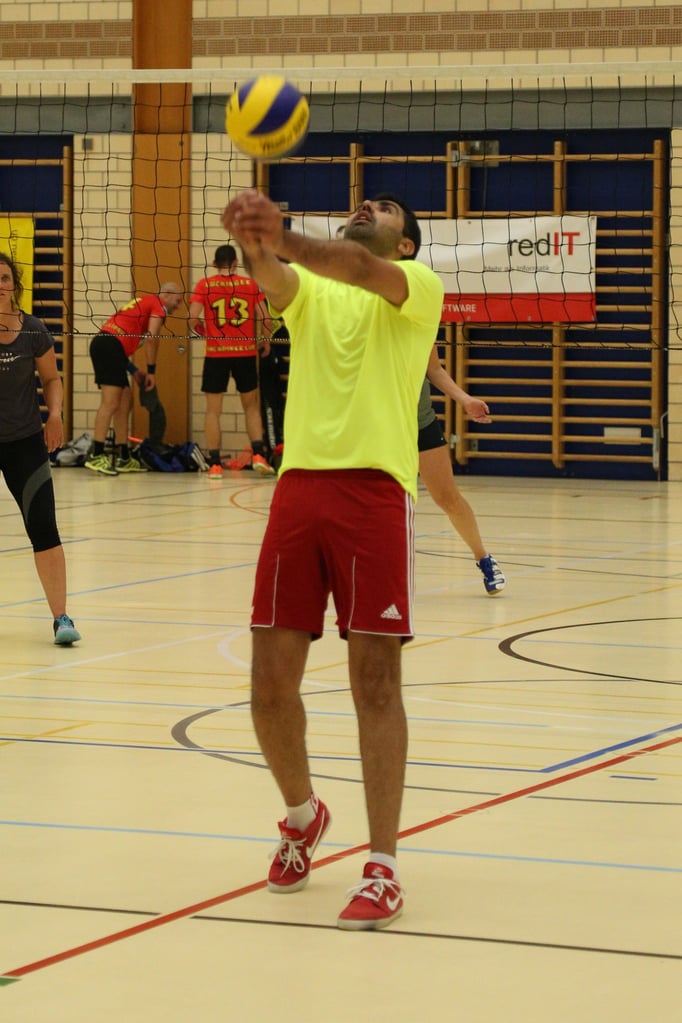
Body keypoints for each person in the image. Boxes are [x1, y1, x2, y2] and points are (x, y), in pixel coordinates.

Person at [222, 191, 444, 930]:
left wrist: (280, 232)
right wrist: (254, 242)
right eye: (365, 201)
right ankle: (302, 814)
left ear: (405, 244)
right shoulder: (313, 290)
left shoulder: (415, 286)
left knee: (375, 682)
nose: (367, 206)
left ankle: (383, 865)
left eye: (386, 208)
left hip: (374, 492)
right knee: (267, 685)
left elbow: (349, 263)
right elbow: (276, 276)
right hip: (298, 491)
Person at [0, 252, 81, 646]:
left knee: (44, 526)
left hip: (25, 443)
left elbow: (51, 379)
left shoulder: (33, 329)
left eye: (4, 278)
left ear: (14, 285)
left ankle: (61, 618)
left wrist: (56, 415)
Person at [420, 346, 506, 595]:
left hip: (419, 424)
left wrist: (465, 399)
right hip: (377, 427)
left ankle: (484, 558)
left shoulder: (420, 326)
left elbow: (434, 369)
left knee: (448, 498)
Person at [188, 245, 275, 479]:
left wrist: (203, 330)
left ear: (215, 264)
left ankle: (215, 464)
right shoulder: (250, 285)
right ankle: (259, 455)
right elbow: (266, 319)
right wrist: (265, 341)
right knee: (251, 407)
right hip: (245, 354)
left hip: (216, 355)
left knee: (213, 411)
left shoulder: (204, 285)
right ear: (236, 263)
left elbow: (192, 317)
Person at [85, 282, 183, 476]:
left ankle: (124, 456)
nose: (178, 306)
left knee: (124, 400)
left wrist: (134, 370)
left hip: (108, 345)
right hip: (109, 346)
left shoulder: (144, 302)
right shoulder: (158, 305)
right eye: (178, 301)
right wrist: (151, 371)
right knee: (110, 403)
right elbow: (152, 338)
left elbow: (122, 342)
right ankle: (96, 454)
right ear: (166, 294)